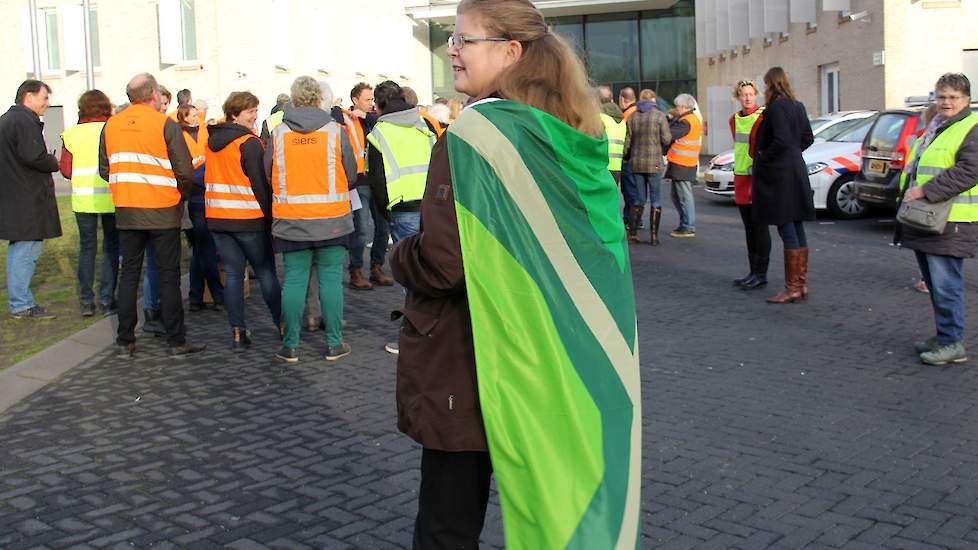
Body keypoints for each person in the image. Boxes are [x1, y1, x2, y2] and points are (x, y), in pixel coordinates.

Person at [390, 1, 641, 547]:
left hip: (470, 356)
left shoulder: (477, 135)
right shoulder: (575, 130)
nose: (450, 50)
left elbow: (442, 264)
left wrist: (396, 255)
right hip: (554, 360)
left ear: (511, 51)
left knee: (447, 524)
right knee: (559, 506)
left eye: (463, 40)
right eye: (451, 38)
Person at [99, 72, 205, 357]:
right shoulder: (164, 124)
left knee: (129, 274)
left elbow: (104, 168)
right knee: (168, 275)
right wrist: (179, 195)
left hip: (127, 210)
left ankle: (125, 340)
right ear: (153, 95)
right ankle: (176, 340)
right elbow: (184, 171)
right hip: (162, 210)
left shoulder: (112, 125)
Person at [266, 77, 357, 363]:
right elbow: (351, 174)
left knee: (294, 280)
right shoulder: (335, 131)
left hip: (291, 221)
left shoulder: (278, 133)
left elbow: (268, 174)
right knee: (331, 280)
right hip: (332, 220)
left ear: (293, 101)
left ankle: (290, 345)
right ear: (319, 100)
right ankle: (333, 343)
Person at [898, 73, 978, 365]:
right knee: (935, 283)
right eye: (941, 96)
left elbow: (970, 171)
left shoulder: (971, 127)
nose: (946, 102)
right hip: (929, 218)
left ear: (966, 100)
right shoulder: (940, 126)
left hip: (952, 220)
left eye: (953, 97)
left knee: (947, 285)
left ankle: (952, 342)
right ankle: (944, 335)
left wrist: (925, 191)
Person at [205, 91, 282, 350]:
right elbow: (260, 185)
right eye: (250, 111)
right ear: (235, 113)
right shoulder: (248, 143)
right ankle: (282, 324)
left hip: (218, 217)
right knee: (266, 273)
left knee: (235, 276)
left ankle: (237, 331)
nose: (255, 116)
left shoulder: (212, 141)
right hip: (248, 218)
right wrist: (271, 219)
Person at [366, 80, 437, 356]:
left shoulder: (380, 132)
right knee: (433, 270)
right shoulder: (424, 125)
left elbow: (377, 180)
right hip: (432, 207)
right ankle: (436, 328)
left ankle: (415, 335)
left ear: (379, 105)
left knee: (411, 277)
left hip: (402, 209)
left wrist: (385, 210)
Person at [751, 67, 815, 304]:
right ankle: (801, 283)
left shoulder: (776, 107)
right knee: (796, 225)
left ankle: (792, 287)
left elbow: (780, 140)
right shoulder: (797, 106)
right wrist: (793, 153)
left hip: (780, 176)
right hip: (796, 171)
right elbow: (808, 138)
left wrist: (764, 156)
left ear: (770, 84)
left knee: (786, 225)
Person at [0, 80, 60, 319]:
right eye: (44, 98)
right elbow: (32, 156)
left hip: (14, 195)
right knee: (26, 250)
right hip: (27, 197)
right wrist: (52, 162)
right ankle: (21, 304)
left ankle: (20, 301)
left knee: (20, 248)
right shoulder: (24, 121)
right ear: (29, 96)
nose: (47, 103)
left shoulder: (7, 120)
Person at [60, 89, 119, 316]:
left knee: (87, 249)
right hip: (111, 198)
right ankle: (107, 299)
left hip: (83, 200)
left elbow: (66, 170)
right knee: (111, 248)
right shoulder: (111, 129)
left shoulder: (71, 134)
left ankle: (86, 301)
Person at [345, 82, 394, 290]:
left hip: (379, 181)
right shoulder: (346, 120)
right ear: (355, 100)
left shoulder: (374, 119)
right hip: (360, 183)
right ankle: (356, 270)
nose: (371, 103)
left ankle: (376, 267)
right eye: (367, 99)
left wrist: (367, 115)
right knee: (362, 229)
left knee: (383, 228)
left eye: (372, 99)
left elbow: (382, 121)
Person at [177, 104, 224, 310]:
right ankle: (215, 293)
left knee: (199, 250)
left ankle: (196, 296)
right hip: (193, 194)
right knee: (204, 248)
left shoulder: (207, 131)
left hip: (204, 190)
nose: (196, 118)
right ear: (183, 118)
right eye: (191, 115)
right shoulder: (178, 135)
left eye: (197, 115)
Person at [729, 79, 771, 290]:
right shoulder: (734, 119)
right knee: (748, 228)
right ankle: (752, 271)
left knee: (759, 227)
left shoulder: (762, 117)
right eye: (743, 94)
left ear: (756, 95)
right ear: (737, 97)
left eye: (750, 94)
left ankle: (761, 274)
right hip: (740, 177)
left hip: (757, 178)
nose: (747, 98)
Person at [623, 88, 671, 245]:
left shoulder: (633, 117)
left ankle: (633, 232)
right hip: (654, 163)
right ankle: (654, 237)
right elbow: (666, 139)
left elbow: (627, 143)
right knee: (655, 200)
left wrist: (626, 157)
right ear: (653, 100)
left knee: (639, 199)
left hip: (636, 164)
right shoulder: (659, 116)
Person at [665, 93, 702, 238]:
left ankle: (688, 226)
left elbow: (669, 135)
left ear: (685, 107)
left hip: (682, 163)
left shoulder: (685, 122)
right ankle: (686, 224)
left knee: (683, 196)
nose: (676, 109)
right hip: (684, 163)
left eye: (678, 106)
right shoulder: (690, 119)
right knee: (677, 195)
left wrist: (668, 122)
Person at [618, 86, 638, 225]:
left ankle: (633, 220)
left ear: (623, 100)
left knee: (630, 192)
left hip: (628, 160)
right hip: (636, 159)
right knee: (633, 192)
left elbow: (627, 139)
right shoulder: (636, 111)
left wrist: (624, 155)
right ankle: (632, 219)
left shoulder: (628, 115)